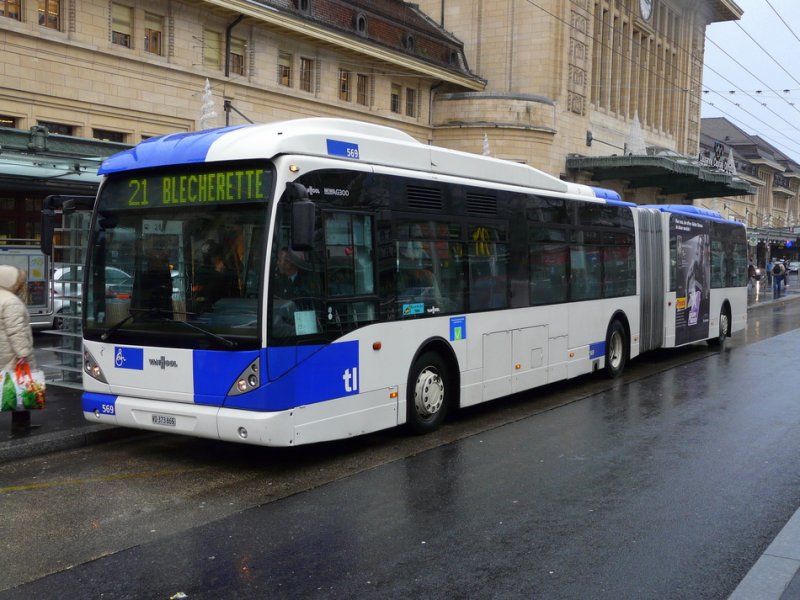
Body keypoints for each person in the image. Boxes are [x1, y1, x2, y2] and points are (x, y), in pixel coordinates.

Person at [0, 265, 37, 434]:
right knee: (21, 387)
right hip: (12, 354)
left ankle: (22, 424)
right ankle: (21, 426)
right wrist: (23, 353)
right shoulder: (11, 301)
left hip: (3, 351)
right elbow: (16, 330)